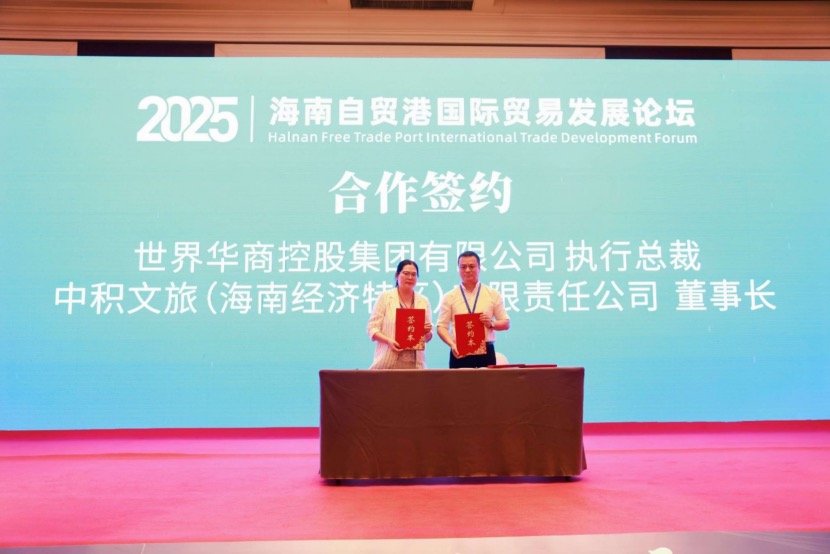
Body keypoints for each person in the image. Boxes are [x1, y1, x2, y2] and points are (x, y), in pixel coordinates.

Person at [436, 251, 510, 368]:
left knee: (486, 381)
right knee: (459, 381)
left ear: (479, 268)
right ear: (458, 269)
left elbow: (506, 323)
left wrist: (491, 324)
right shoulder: (449, 297)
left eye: (471, 266)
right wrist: (452, 344)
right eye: (463, 267)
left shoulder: (492, 294)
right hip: (459, 351)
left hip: (486, 352)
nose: (467, 270)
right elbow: (441, 326)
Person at [367, 259, 434, 369]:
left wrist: (426, 332)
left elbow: (427, 337)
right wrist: (388, 341)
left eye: (414, 274)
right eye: (406, 273)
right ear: (397, 275)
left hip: (415, 365)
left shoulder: (423, 301)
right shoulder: (385, 297)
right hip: (387, 362)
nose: (410, 277)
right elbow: (372, 329)